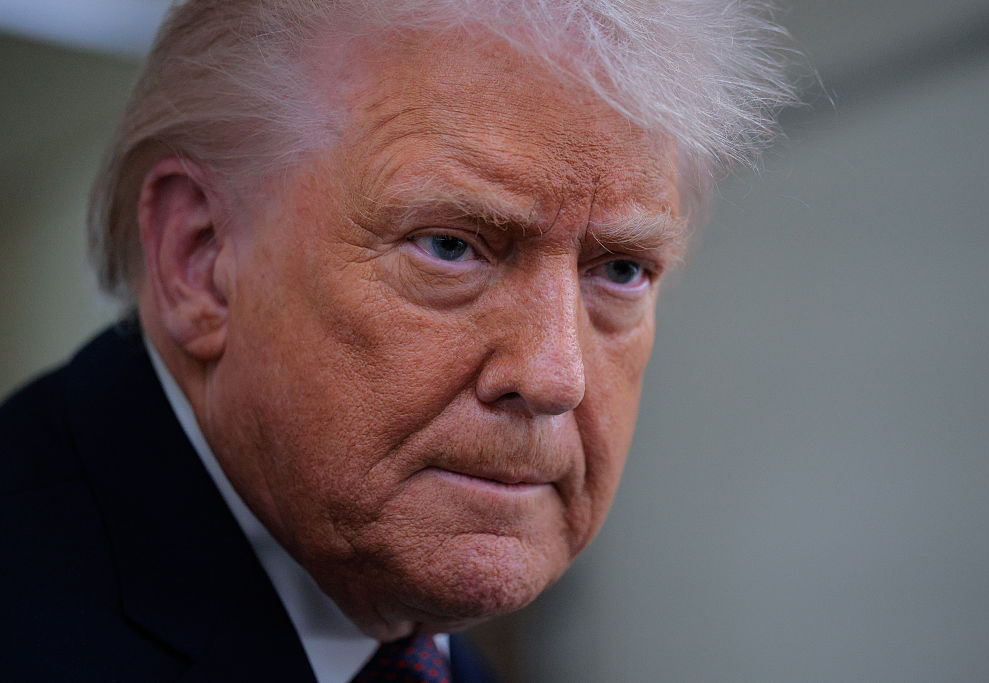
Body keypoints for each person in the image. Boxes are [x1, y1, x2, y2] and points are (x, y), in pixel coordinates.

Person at [1, 1, 798, 680]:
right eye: (451, 246)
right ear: (200, 259)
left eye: (621, 268)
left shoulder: (428, 656)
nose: (556, 375)